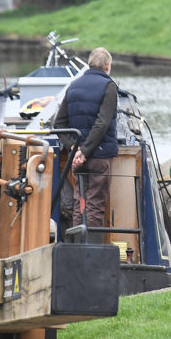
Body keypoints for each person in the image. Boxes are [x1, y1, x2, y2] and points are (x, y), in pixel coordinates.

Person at [55, 47, 118, 231]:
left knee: (79, 202)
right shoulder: (109, 86)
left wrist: (74, 148)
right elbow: (102, 122)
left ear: (89, 64)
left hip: (77, 159)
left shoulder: (73, 86)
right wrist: (85, 150)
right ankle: (91, 250)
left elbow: (59, 123)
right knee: (95, 205)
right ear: (108, 66)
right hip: (99, 156)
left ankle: (77, 247)